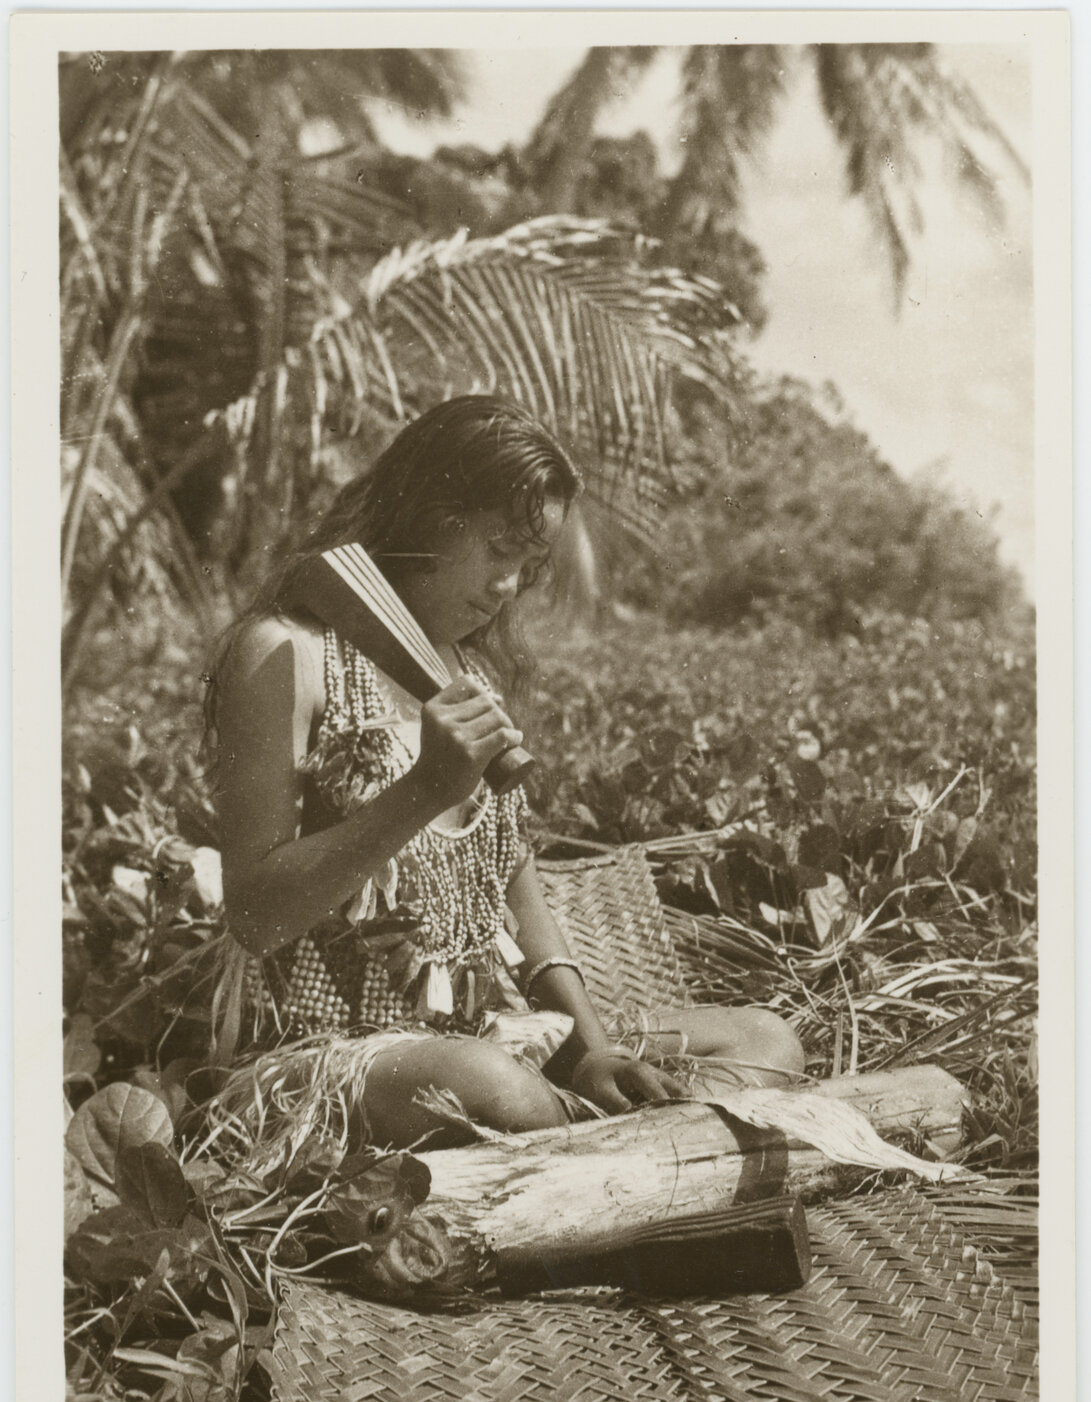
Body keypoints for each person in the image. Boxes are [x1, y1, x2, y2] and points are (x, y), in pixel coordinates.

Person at [206, 395, 805, 1157]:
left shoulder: (467, 672)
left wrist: (589, 1051)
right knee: (504, 1095)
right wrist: (423, 790)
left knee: (764, 1041)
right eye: (497, 549)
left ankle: (627, 1161)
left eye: (527, 566)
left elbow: (512, 877)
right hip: (327, 1051)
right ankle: (650, 1162)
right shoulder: (284, 652)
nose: (505, 587)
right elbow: (255, 917)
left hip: (480, 1033)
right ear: (427, 516)